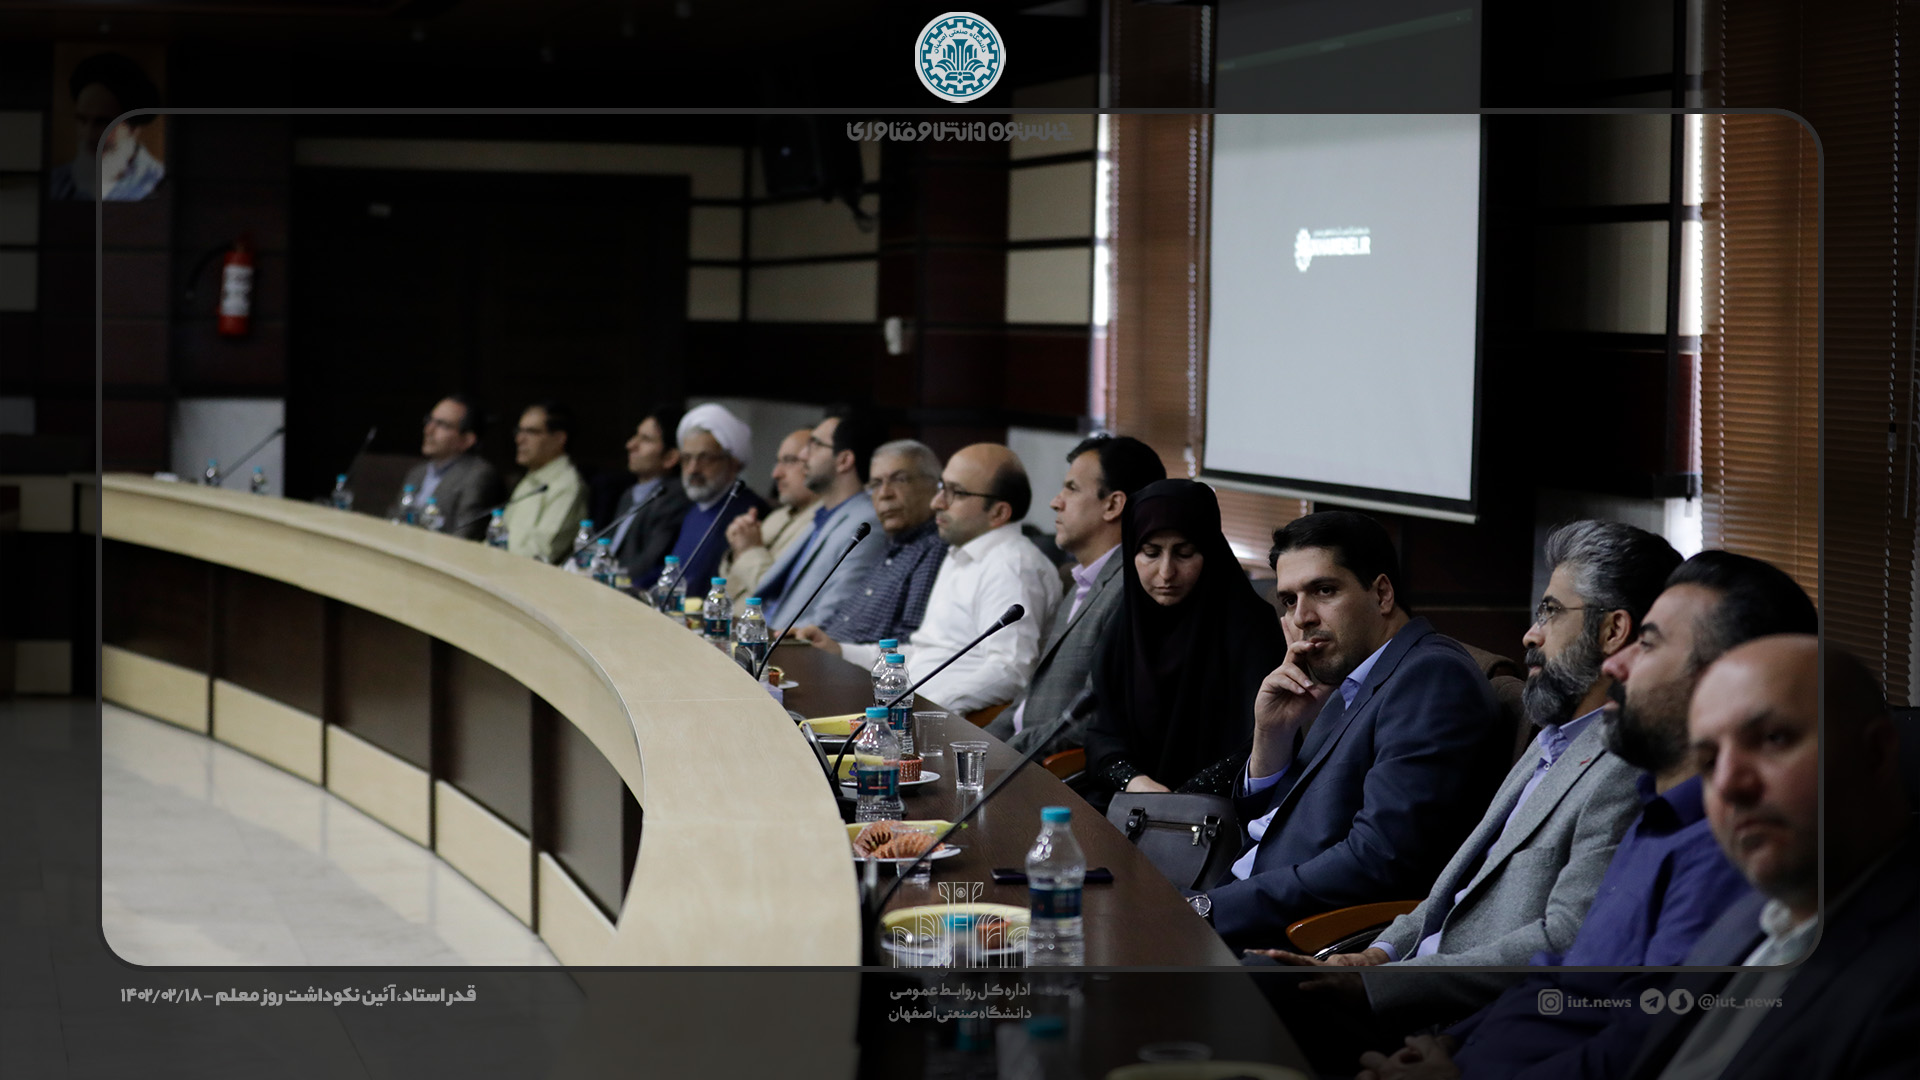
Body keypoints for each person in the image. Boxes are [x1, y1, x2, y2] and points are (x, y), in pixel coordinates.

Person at [1348, 550, 1820, 1080]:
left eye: (1649, 643)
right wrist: (1454, 1044)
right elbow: (1561, 978)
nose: (1615, 665)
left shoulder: (1724, 850)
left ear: (1721, 682)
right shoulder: (1655, 812)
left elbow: (1637, 1041)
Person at [1247, 522, 1680, 1023]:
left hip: (1458, 1013)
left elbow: (1563, 938)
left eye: (1550, 611)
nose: (1530, 633)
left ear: (1613, 631)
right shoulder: (1552, 740)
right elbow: (1453, 889)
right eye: (1288, 601)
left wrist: (1380, 984)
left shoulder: (1626, 770)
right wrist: (1378, 954)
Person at [1191, 510, 1507, 952]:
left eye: (1324, 591)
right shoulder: (1355, 675)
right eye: (1288, 601)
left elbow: (1378, 859)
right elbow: (1269, 823)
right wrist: (1272, 735)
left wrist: (1211, 908)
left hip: (1282, 937)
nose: (1302, 617)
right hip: (1239, 899)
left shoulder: (1430, 677)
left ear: (1382, 593)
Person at [1080, 477, 1280, 804]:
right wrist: (1135, 782)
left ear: (1210, 552)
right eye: (1150, 553)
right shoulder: (1124, 627)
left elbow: (1261, 742)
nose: (1166, 572)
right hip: (1128, 804)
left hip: (1220, 812)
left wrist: (1179, 802)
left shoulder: (1250, 627)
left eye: (1184, 553)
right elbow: (1101, 734)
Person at [836, 444, 1061, 715]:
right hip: (910, 712)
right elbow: (925, 653)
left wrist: (930, 707)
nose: (937, 502)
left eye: (956, 492)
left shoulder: (1012, 566)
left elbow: (1010, 670)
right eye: (942, 487)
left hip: (944, 726)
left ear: (999, 512)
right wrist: (840, 652)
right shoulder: (960, 555)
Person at [986, 434, 1167, 759]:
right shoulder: (1083, 580)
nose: (1056, 502)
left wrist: (1003, 755)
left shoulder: (1129, 589)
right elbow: (1029, 700)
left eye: (1071, 488)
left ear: (1112, 505)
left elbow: (1092, 718)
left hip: (1045, 771)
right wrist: (976, 745)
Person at [795, 438, 947, 648]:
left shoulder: (934, 550)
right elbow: (846, 618)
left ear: (935, 487)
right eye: (876, 484)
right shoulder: (893, 545)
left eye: (900, 479)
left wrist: (838, 650)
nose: (884, 493)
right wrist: (812, 634)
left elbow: (909, 642)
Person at [753, 409, 886, 630]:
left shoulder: (866, 525)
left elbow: (833, 615)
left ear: (844, 460)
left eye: (815, 444)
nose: (803, 455)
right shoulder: (824, 515)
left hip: (790, 646)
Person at [659, 403, 770, 594]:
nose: (693, 469)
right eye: (687, 458)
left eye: (705, 458)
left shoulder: (748, 513)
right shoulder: (694, 508)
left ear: (733, 463)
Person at [717, 427, 817, 600]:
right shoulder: (777, 517)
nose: (776, 474)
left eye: (789, 461)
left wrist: (749, 549)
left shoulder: (820, 525)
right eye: (778, 462)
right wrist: (737, 550)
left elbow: (778, 598)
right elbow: (727, 586)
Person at [50, 52, 166, 201]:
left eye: (103, 122)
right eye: (82, 120)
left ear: (132, 127)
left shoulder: (159, 185)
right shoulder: (57, 181)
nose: (88, 134)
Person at [390, 394, 503, 541]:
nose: (428, 430)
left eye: (442, 425)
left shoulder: (478, 475)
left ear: (466, 440)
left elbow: (464, 535)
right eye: (429, 420)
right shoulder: (417, 472)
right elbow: (393, 519)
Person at [611, 405, 693, 591]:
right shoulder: (629, 494)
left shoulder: (674, 499)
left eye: (646, 439)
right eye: (636, 435)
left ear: (670, 457)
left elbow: (647, 564)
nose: (630, 445)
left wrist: (606, 578)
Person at [501, 400, 589, 564]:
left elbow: (540, 554)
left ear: (559, 438)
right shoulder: (530, 478)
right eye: (519, 431)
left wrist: (492, 557)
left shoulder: (567, 485)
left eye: (531, 432)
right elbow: (499, 536)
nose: (519, 439)